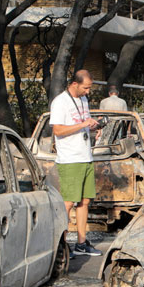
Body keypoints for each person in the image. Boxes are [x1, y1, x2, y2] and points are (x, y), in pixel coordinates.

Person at [49, 69, 102, 257]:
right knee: (68, 202)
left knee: (85, 201)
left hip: (86, 156)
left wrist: (93, 127)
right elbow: (58, 130)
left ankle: (81, 242)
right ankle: (61, 245)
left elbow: (82, 122)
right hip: (70, 159)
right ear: (74, 84)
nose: (88, 91)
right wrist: (82, 125)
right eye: (85, 88)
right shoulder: (60, 102)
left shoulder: (83, 100)